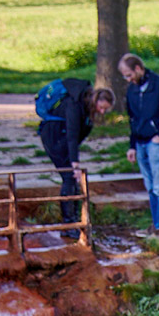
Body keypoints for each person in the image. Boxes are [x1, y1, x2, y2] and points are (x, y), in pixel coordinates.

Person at [38, 81, 114, 238]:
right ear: (95, 100)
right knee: (69, 177)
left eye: (105, 110)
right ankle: (68, 224)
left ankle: (74, 220)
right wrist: (75, 164)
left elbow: (76, 137)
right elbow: (72, 136)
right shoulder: (74, 105)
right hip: (54, 137)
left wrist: (73, 159)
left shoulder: (87, 111)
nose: (102, 112)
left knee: (72, 179)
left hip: (63, 138)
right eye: (101, 107)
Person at [120, 53, 159, 237]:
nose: (128, 79)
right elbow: (133, 119)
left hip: (155, 142)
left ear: (138, 69)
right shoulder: (131, 90)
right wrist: (132, 145)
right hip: (139, 143)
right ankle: (155, 225)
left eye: (129, 75)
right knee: (149, 186)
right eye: (125, 76)